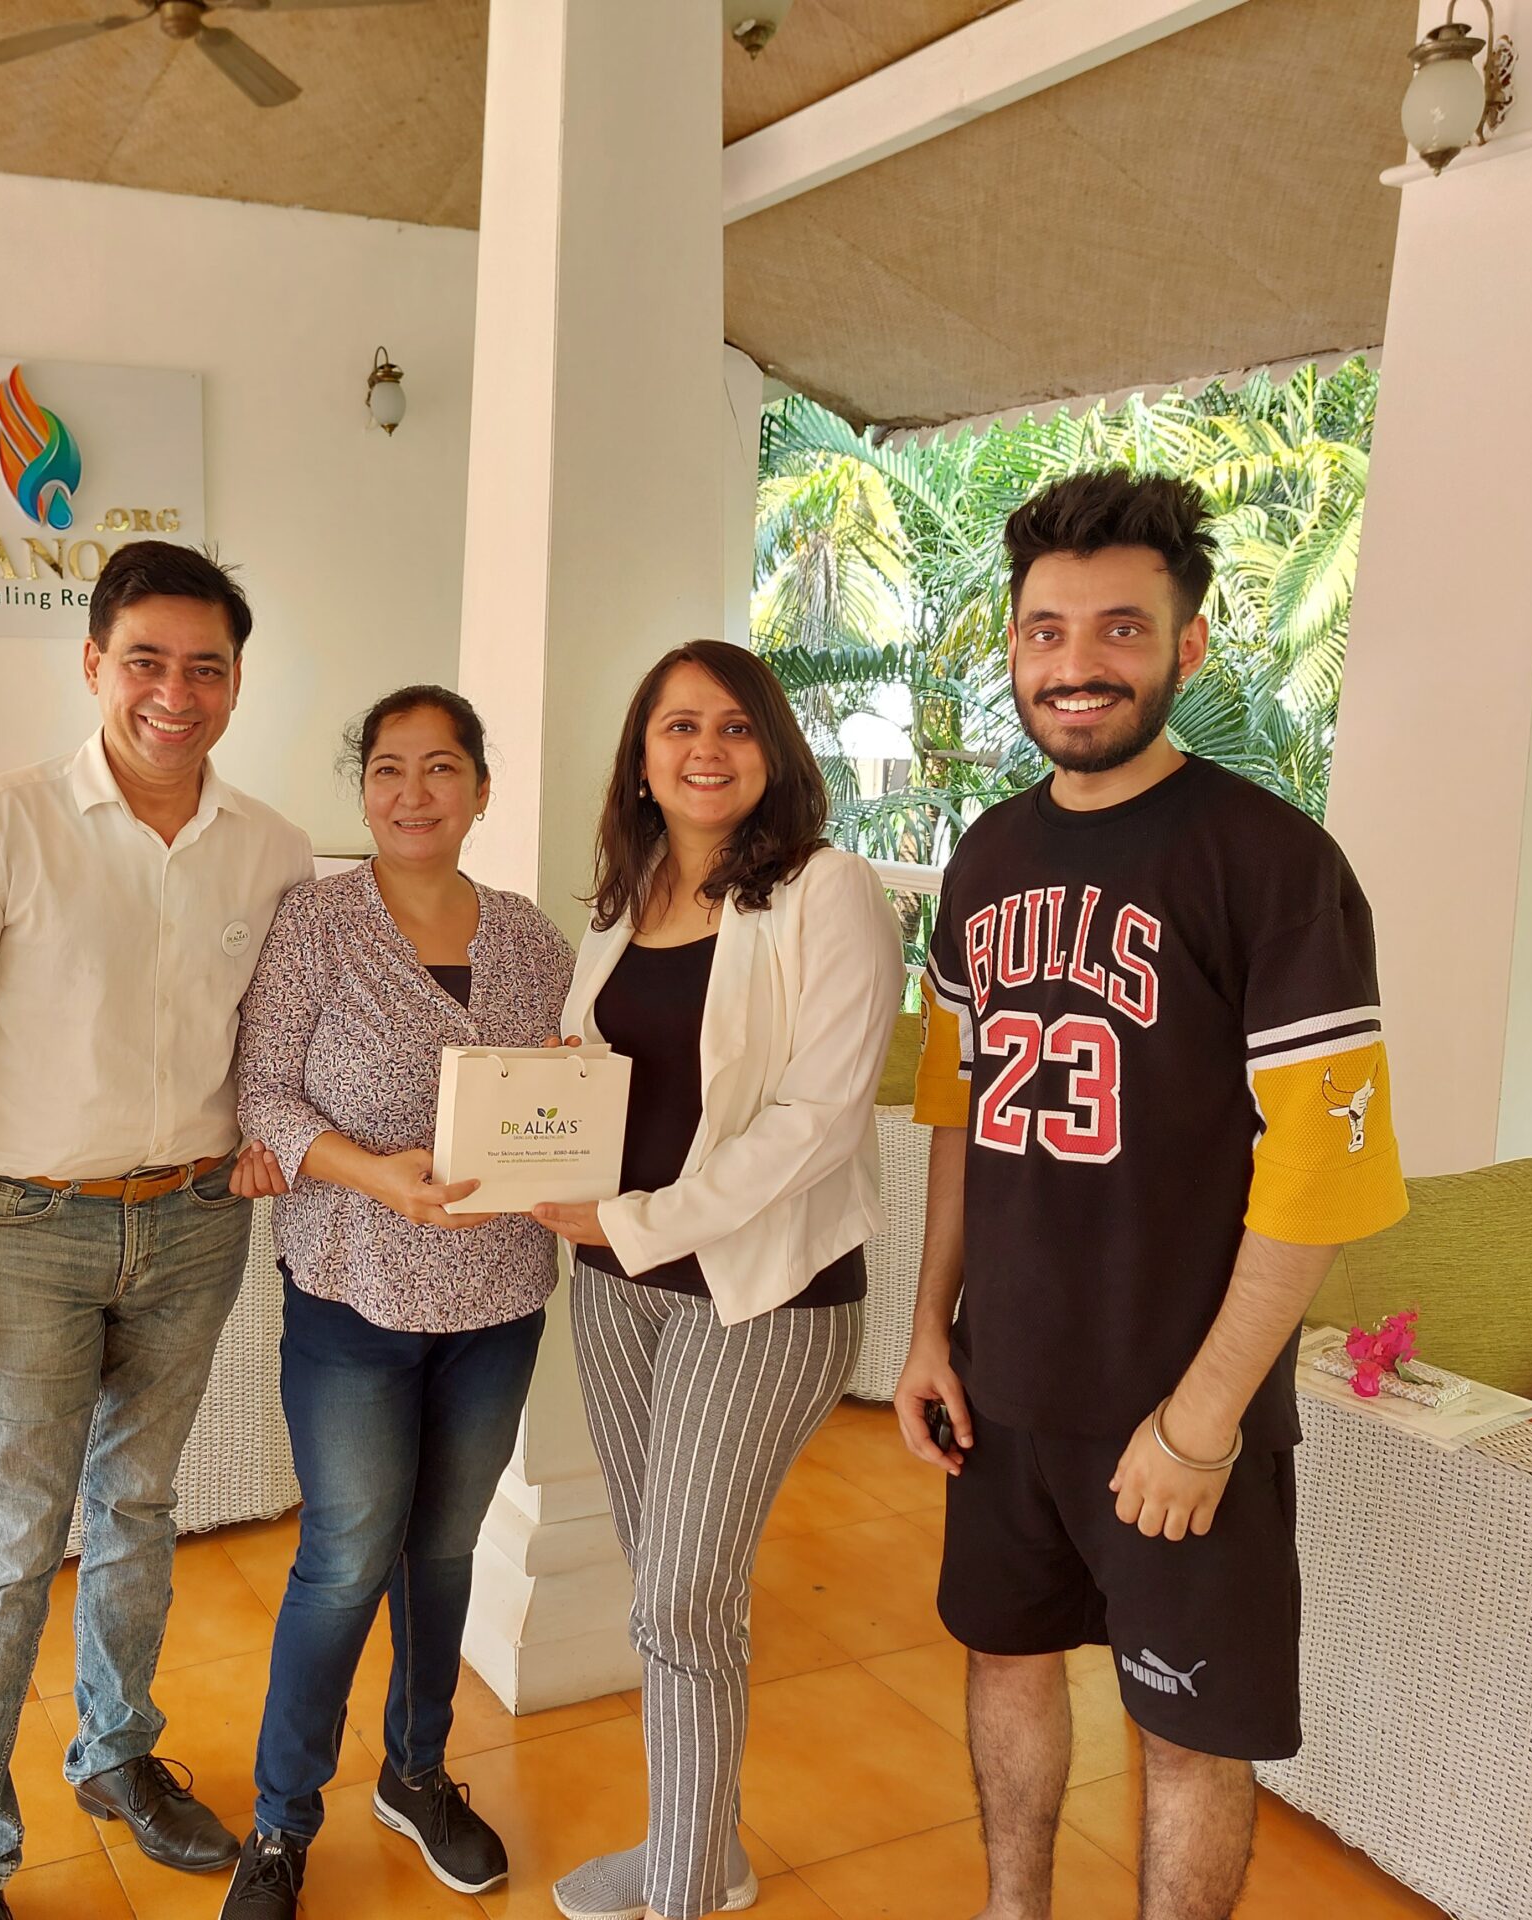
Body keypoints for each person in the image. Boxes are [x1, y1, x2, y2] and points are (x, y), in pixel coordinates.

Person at [893, 470, 1409, 1920]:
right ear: (1011, 646)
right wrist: (930, 1330)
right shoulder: (986, 856)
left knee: (1187, 1734)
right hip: (1002, 1389)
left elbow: (1317, 1180)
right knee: (1005, 1660)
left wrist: (1203, 1421)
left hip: (1176, 1413)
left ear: (1188, 644)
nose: (1076, 664)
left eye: (1119, 628)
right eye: (1046, 630)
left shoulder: (1276, 866)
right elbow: (960, 1118)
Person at [0, 540, 312, 1920]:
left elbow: (279, 1042)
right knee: (13, 1541)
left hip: (193, 1224)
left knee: (139, 1509)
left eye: (206, 667)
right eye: (146, 662)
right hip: (26, 1231)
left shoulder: (272, 851)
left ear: (237, 682)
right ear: (93, 665)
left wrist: (274, 1136)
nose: (176, 694)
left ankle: (116, 1755)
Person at [531, 639, 905, 1920]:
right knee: (664, 1594)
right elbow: (614, 1072)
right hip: (614, 1280)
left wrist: (640, 1219)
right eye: (679, 726)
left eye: (736, 726)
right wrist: (552, 1096)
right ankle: (703, 1848)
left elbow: (817, 1120)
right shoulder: (622, 898)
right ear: (640, 759)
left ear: (774, 751)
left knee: (682, 1600)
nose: (706, 749)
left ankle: (682, 1891)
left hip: (760, 1294)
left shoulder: (825, 890)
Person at [216, 686, 574, 1919]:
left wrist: (568, 1114)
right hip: (351, 1291)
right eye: (387, 769)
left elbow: (560, 1093)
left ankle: (417, 1774)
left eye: (439, 768)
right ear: (362, 790)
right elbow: (263, 1095)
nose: (412, 793)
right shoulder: (315, 923)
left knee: (443, 1547)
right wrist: (379, 1178)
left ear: (481, 788)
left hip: (499, 1296)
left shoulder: (531, 939)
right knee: (343, 1559)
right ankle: (281, 1822)